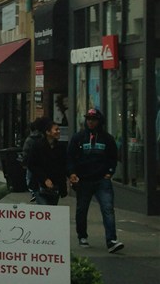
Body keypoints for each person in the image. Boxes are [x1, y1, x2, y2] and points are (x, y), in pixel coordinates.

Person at [68, 108, 124, 253]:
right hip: (84, 180)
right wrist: (72, 173)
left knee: (108, 209)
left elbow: (113, 157)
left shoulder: (107, 138)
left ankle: (111, 240)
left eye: (93, 119)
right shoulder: (78, 138)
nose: (91, 122)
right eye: (88, 119)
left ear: (99, 121)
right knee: (82, 209)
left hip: (101, 180)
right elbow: (70, 157)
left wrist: (109, 172)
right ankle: (82, 236)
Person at [27, 117, 67, 206]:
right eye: (56, 130)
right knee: (45, 209)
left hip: (55, 186)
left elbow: (63, 166)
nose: (58, 132)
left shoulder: (61, 147)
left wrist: (70, 175)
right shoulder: (37, 146)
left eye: (59, 129)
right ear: (48, 132)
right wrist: (44, 179)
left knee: (52, 209)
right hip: (40, 185)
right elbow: (32, 165)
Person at [22, 119, 45, 202]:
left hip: (30, 162)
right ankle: (38, 190)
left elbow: (25, 151)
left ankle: (33, 192)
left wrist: (24, 161)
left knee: (29, 177)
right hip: (41, 163)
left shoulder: (29, 139)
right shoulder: (43, 138)